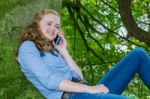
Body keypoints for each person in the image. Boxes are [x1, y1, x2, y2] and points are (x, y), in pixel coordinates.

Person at [17, 9, 150, 99]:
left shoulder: (54, 51)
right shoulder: (27, 47)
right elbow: (50, 81)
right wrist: (90, 89)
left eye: (57, 26)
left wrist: (64, 51)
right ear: (36, 25)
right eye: (49, 23)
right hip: (73, 96)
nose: (53, 28)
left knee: (138, 55)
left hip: (84, 91)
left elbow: (79, 76)